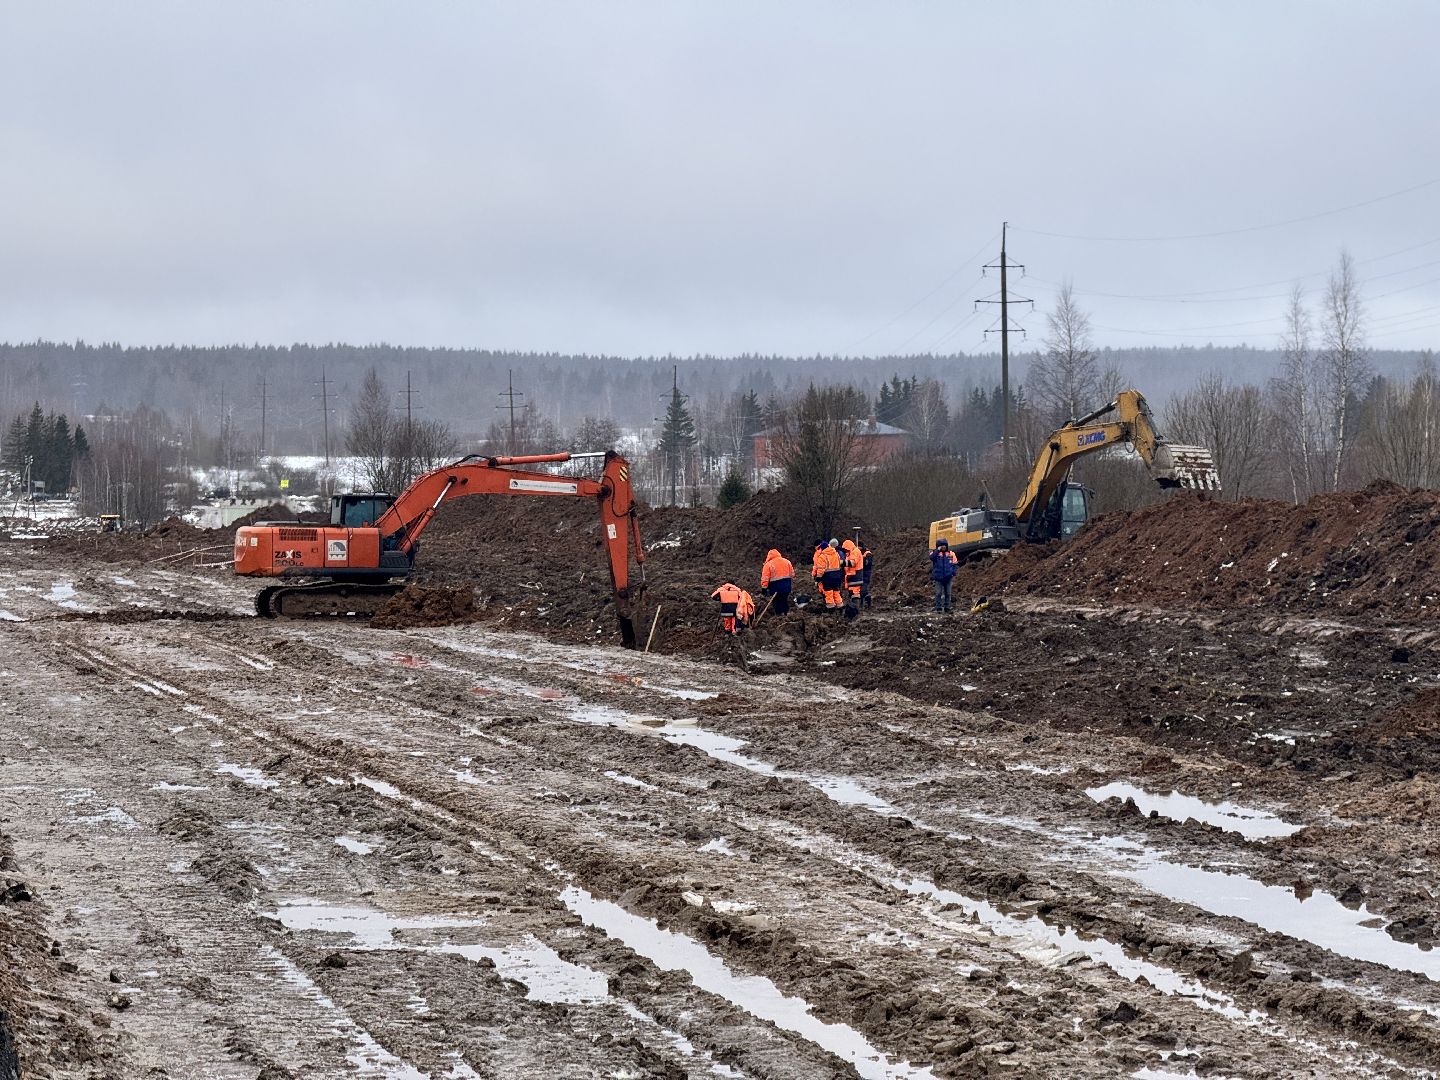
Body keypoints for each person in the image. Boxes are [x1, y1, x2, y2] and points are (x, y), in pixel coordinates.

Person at [760, 548, 794, 616]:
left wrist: (764, 589)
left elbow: (765, 578)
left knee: (776, 601)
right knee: (784, 600)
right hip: (787, 586)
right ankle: (786, 613)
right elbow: (792, 574)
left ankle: (779, 616)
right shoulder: (787, 561)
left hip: (775, 587)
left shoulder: (768, 565)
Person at [930, 539, 958, 613]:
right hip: (938, 577)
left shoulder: (951, 554)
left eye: (944, 545)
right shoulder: (935, 553)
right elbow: (932, 558)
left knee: (948, 593)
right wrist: (937, 550)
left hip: (948, 577)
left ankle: (947, 608)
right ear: (938, 546)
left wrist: (953, 572)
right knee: (938, 593)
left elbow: (955, 564)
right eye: (941, 545)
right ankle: (938, 608)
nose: (943, 547)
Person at [840, 538, 864, 618]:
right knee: (853, 594)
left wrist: (841, 563)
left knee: (855, 594)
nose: (845, 551)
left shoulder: (855, 552)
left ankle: (855, 611)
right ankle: (853, 611)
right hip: (852, 577)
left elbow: (853, 563)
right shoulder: (850, 553)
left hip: (855, 577)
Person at [819, 539, 845, 610]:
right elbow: (840, 564)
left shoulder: (823, 556)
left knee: (828, 593)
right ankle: (840, 606)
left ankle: (831, 608)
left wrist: (818, 578)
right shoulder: (836, 554)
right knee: (836, 591)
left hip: (828, 577)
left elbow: (821, 569)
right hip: (837, 576)